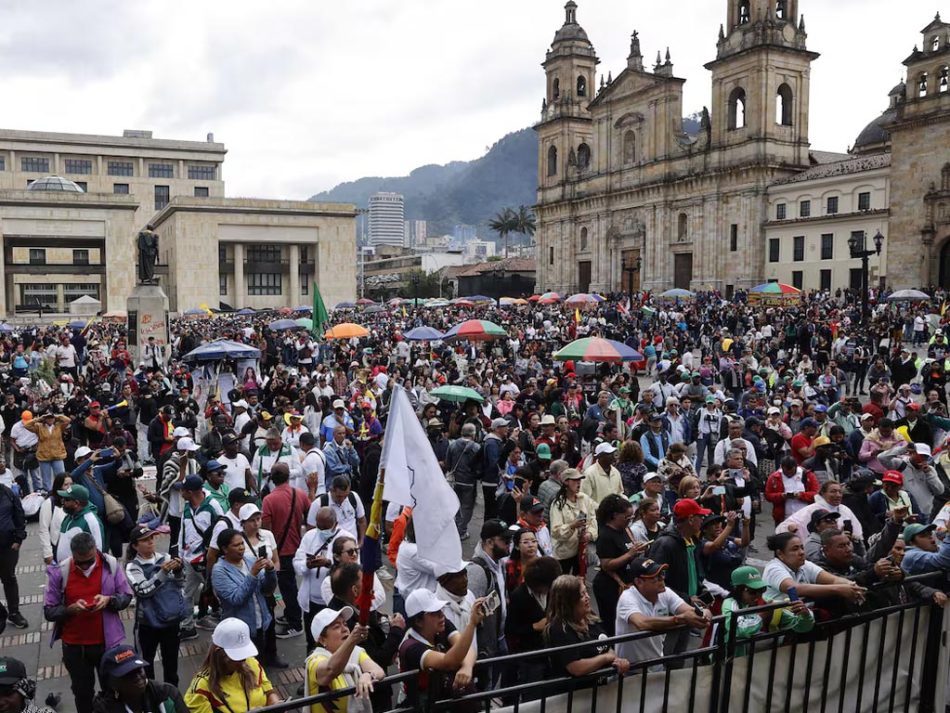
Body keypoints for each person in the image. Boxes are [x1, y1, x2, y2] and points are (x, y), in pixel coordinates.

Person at [43, 532, 133, 713]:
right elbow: (49, 611)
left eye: (89, 561)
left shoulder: (111, 565)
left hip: (108, 645)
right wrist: (70, 610)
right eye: (80, 562)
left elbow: (126, 596)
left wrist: (109, 601)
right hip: (75, 648)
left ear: (96, 550)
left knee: (113, 691)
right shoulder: (61, 571)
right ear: (72, 555)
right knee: (82, 694)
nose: (85, 566)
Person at [614, 557, 711, 667]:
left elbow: (689, 610)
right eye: (655, 578)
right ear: (639, 582)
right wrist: (679, 619)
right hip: (630, 669)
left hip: (656, 665)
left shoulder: (666, 592)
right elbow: (642, 623)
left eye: (662, 574)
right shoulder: (627, 598)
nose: (662, 579)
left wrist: (704, 614)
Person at [397, 588, 484, 708]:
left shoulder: (441, 624)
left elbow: (466, 648)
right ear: (418, 621)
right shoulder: (410, 647)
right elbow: (448, 662)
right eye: (434, 613)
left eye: (441, 609)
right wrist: (472, 624)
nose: (441, 615)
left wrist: (467, 667)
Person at [648, 498, 711, 656]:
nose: (702, 520)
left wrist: (700, 589)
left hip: (687, 608)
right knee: (665, 655)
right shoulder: (665, 544)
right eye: (699, 516)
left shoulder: (691, 540)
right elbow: (656, 582)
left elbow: (694, 572)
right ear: (690, 519)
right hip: (669, 612)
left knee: (679, 655)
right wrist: (687, 598)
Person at [124, 524, 185, 686]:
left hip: (171, 621)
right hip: (148, 624)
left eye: (151, 538)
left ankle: (171, 699)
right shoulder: (132, 567)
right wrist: (163, 572)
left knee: (171, 666)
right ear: (135, 546)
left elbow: (180, 584)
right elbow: (143, 590)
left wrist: (179, 571)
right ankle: (151, 701)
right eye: (145, 540)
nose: (150, 542)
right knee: (146, 665)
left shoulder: (165, 557)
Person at [183, 617, 282, 712]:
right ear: (219, 654)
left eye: (244, 653)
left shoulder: (251, 662)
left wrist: (274, 702)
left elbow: (268, 690)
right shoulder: (202, 686)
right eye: (237, 656)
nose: (243, 660)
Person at [544, 574, 630, 678]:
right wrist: (606, 658)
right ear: (568, 601)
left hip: (603, 686)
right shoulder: (559, 629)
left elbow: (607, 647)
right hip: (577, 691)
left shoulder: (590, 618)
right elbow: (576, 668)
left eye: (586, 592)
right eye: (581, 595)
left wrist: (618, 661)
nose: (588, 597)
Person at [210, 528, 277, 657]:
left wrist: (270, 571)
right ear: (225, 549)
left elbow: (267, 589)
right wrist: (252, 574)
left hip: (260, 622)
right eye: (236, 545)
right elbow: (236, 598)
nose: (241, 548)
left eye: (242, 543)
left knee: (258, 664)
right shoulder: (219, 571)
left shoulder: (250, 560)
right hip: (239, 630)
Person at [295, 507, 355, 650]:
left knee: (337, 642)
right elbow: (297, 563)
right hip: (312, 601)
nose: (321, 530)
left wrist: (329, 563)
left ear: (335, 523)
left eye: (325, 527)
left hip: (335, 602)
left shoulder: (347, 538)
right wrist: (307, 564)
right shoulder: (310, 536)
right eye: (319, 526)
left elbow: (354, 567)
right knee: (313, 641)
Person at [261, 462, 309, 639]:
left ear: (272, 478)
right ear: (289, 476)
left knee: (287, 588)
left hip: (278, 551)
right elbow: (309, 516)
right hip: (296, 548)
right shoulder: (300, 494)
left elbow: (265, 530)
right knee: (289, 585)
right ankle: (290, 614)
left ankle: (296, 624)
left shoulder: (269, 500)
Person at [304, 607, 385, 711]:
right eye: (337, 626)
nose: (344, 629)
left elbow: (378, 671)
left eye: (345, 624)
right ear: (322, 639)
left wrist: (368, 675)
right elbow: (330, 669)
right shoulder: (314, 661)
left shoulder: (355, 651)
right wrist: (352, 639)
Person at [720, 566, 813, 655]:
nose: (758, 595)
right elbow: (739, 629)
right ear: (738, 590)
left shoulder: (766, 601)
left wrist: (805, 615)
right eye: (752, 591)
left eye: (761, 590)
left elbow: (801, 627)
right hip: (734, 662)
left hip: (763, 662)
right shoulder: (730, 604)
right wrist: (763, 615)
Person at [761, 532, 868, 605]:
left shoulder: (804, 564)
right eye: (795, 549)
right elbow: (795, 589)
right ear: (780, 553)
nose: (802, 552)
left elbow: (833, 580)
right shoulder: (774, 568)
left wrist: (852, 586)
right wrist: (839, 589)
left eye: (802, 547)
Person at [178, 474, 225, 638]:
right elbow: (182, 531)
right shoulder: (186, 506)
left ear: (190, 492)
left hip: (208, 560)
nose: (180, 492)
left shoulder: (213, 506)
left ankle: (228, 626)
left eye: (183, 490)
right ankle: (187, 626)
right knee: (186, 593)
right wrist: (180, 555)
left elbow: (223, 531)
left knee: (219, 592)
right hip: (190, 561)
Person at [593, 494, 647, 636]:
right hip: (610, 586)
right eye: (626, 517)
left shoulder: (625, 530)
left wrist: (638, 549)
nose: (629, 521)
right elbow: (606, 565)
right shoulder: (606, 536)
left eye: (631, 517)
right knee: (613, 624)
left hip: (627, 582)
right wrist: (629, 554)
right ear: (614, 515)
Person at [92, 644, 188, 713]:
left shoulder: (167, 694)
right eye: (129, 674)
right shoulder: (104, 710)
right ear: (112, 684)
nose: (138, 677)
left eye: (139, 670)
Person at [466, 519, 511, 665]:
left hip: (500, 638)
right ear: (490, 542)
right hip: (485, 648)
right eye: (505, 540)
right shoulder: (477, 571)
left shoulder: (500, 563)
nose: (509, 543)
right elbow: (469, 613)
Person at [548, 469, 597, 573]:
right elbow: (555, 532)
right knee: (564, 584)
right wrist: (572, 526)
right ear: (566, 482)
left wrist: (589, 534)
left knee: (580, 581)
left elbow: (593, 520)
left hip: (581, 551)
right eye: (575, 480)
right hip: (564, 554)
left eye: (580, 480)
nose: (579, 483)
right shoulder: (558, 504)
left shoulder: (585, 499)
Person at [446, 423, 482, 540]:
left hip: (455, 481)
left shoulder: (452, 445)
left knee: (456, 504)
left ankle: (455, 526)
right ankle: (461, 530)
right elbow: (479, 466)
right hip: (469, 482)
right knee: (467, 507)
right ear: (473, 434)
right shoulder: (476, 447)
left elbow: (448, 463)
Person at [0, 473, 27, 629]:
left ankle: (14, 612)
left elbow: (19, 515)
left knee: (9, 578)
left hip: (8, 547)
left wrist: (18, 538)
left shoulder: (7, 492)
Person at [764, 456, 820, 525]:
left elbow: (816, 494)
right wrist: (781, 496)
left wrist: (801, 495)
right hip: (783, 518)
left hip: (805, 517)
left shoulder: (808, 475)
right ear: (781, 467)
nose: (789, 474)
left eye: (792, 472)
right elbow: (768, 495)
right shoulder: (774, 477)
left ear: (796, 466)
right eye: (786, 473)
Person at [56, 483, 105, 562]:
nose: (63, 501)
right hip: (65, 570)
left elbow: (98, 551)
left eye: (67, 499)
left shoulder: (91, 521)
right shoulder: (69, 517)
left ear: (76, 503)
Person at [39, 473, 71, 564]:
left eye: (71, 484)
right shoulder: (49, 503)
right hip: (57, 548)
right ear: (58, 486)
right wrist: (47, 553)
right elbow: (43, 529)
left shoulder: (75, 501)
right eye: (66, 484)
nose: (69, 487)